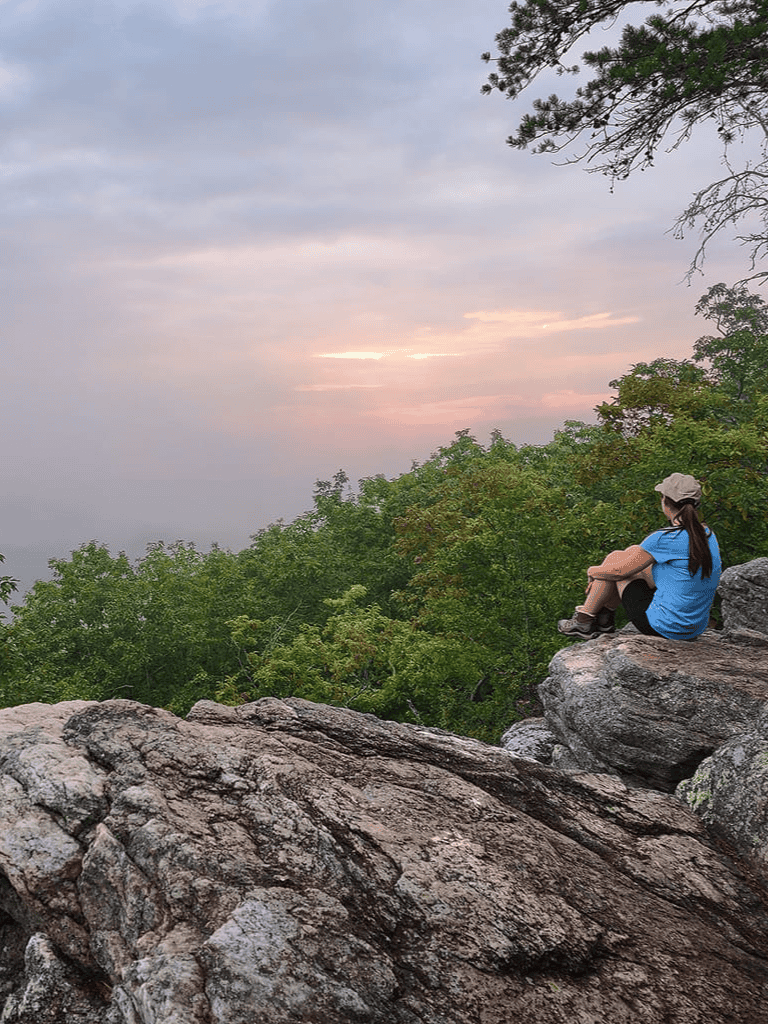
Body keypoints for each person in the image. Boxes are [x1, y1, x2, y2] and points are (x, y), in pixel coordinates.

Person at [557, 473, 722, 641]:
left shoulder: (665, 538)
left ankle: (586, 619)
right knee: (627, 553)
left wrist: (592, 571)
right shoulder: (706, 534)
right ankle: (600, 620)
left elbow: (618, 572)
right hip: (694, 627)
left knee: (615, 564)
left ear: (664, 501)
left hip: (664, 627)